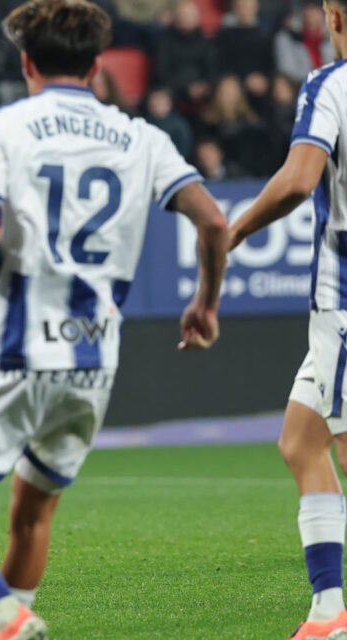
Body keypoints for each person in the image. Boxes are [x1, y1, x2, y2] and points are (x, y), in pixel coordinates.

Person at [0, 2, 228, 639]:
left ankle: (5, 614)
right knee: (32, 513)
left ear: (26, 62)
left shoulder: (7, 125)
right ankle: (5, 629)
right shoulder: (143, 137)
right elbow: (213, 221)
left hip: (18, 346)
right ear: (97, 65)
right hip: (93, 358)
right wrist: (205, 303)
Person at [227, 0, 347, 635]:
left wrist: (236, 229)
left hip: (344, 300)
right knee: (302, 443)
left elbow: (301, 179)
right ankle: (329, 610)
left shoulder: (330, 84)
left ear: (333, 17)